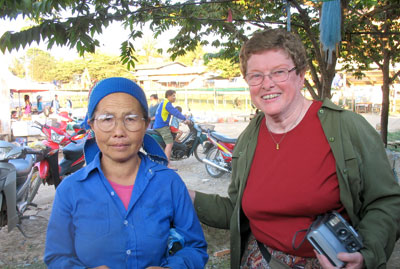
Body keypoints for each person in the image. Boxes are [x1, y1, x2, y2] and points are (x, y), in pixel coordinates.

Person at [189, 28, 400, 269]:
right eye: (256, 76)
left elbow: (387, 202)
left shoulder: (346, 127)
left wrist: (367, 253)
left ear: (300, 75)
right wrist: (185, 195)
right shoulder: (249, 136)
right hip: (259, 261)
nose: (267, 84)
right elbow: (238, 210)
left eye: (279, 72)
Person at [44, 77, 208, 268]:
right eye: (107, 119)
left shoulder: (169, 183)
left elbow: (195, 248)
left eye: (130, 119)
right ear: (92, 124)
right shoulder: (70, 190)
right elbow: (57, 257)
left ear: (146, 123)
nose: (119, 131)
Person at [153, 90, 189, 166]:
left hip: (158, 125)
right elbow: (175, 112)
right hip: (162, 127)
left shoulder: (163, 102)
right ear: (168, 96)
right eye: (173, 96)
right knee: (169, 143)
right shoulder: (167, 104)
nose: (174, 97)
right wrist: (185, 119)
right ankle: (167, 164)